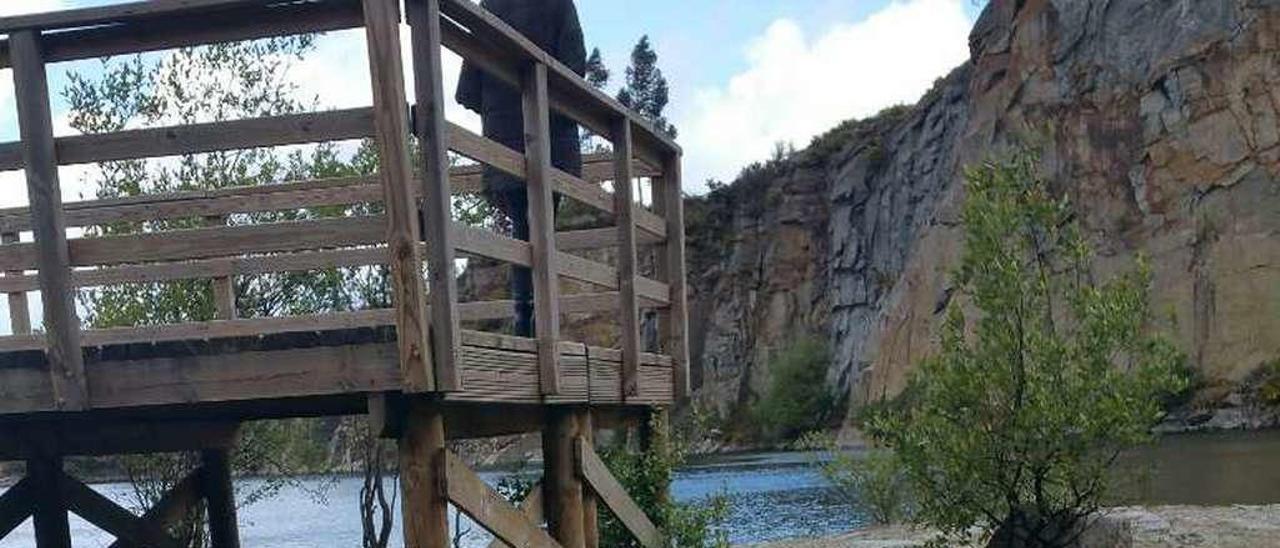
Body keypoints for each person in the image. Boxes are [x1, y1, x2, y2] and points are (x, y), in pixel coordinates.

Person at [456, 0, 586, 338]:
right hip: (553, 144)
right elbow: (575, 68)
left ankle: (524, 317)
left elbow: (466, 91)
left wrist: (501, 110)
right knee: (540, 228)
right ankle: (540, 319)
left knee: (521, 229)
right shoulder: (557, 5)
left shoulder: (490, 6)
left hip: (504, 146)